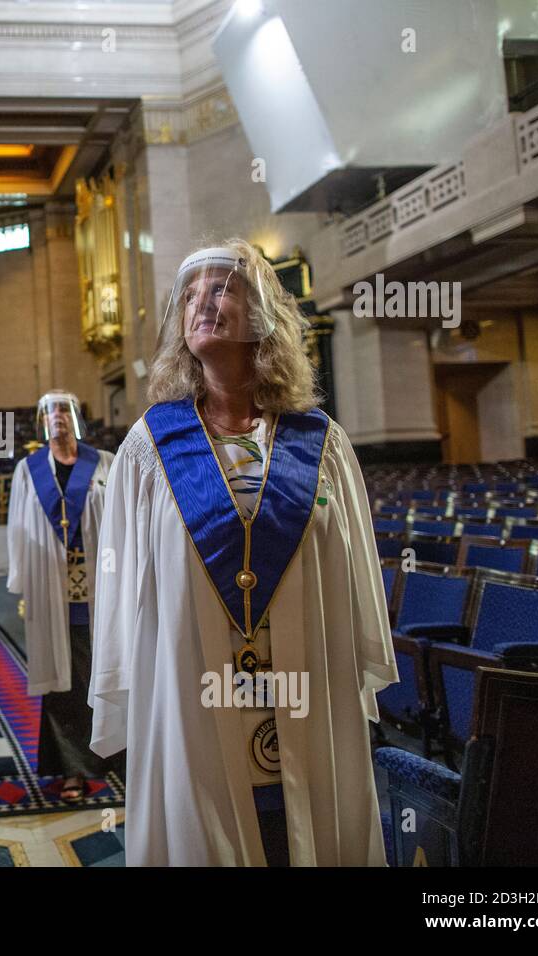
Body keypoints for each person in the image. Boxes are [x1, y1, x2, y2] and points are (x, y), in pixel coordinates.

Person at [88, 240, 396, 866]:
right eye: (191, 293)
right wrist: (122, 683)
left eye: (222, 287)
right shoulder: (149, 449)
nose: (203, 301)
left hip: (307, 682)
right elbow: (121, 588)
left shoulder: (323, 444)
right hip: (191, 691)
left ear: (264, 314)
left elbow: (354, 569)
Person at [7, 391, 115, 802]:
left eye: (65, 410)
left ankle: (112, 754)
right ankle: (73, 767)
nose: (58, 417)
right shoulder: (27, 471)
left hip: (101, 587)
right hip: (52, 590)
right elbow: (18, 528)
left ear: (76, 417)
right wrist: (21, 584)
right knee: (62, 681)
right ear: (41, 421)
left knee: (102, 672)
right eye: (50, 411)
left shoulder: (103, 464)